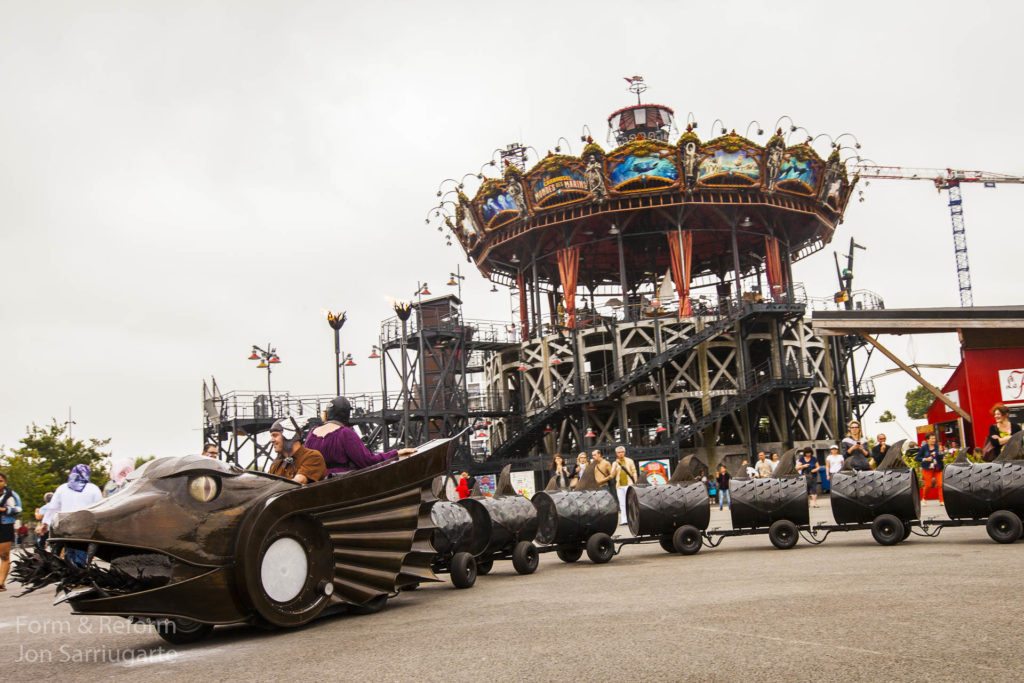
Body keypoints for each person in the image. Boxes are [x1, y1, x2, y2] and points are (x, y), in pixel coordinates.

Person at [305, 397, 416, 475]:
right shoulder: (345, 433)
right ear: (347, 414)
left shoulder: (312, 433)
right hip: (339, 483)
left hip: (315, 481)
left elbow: (305, 461)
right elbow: (367, 461)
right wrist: (395, 453)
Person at [42, 465, 103, 566]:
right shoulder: (93, 489)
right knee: (81, 551)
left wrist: (45, 523)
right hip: (84, 527)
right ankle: (78, 570)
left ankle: (69, 568)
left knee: (69, 550)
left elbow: (53, 508)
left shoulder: (62, 488)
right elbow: (100, 508)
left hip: (66, 526)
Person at [268, 419, 326, 484]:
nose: (271, 440)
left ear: (289, 436)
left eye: (275, 435)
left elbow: (298, 482)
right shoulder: (277, 464)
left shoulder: (313, 457)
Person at [0, 471, 22, 591]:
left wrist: (5, 509)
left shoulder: (11, 494)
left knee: (4, 555)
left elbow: (19, 509)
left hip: (5, 525)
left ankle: (1, 582)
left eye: (0, 481)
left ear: (5, 482)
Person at [610, 446, 637, 524]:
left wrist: (635, 482)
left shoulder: (629, 461)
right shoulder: (615, 463)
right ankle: (624, 520)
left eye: (622, 452)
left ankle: (633, 518)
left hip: (629, 484)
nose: (621, 454)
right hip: (620, 485)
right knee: (622, 503)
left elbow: (634, 472)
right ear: (616, 453)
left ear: (624, 452)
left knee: (630, 502)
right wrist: (615, 467)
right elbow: (612, 475)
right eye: (619, 452)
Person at [915, 432, 944, 505]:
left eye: (934, 438)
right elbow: (917, 458)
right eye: (932, 438)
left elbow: (941, 457)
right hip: (927, 468)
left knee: (940, 484)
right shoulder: (924, 448)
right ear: (927, 440)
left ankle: (941, 500)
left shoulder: (937, 446)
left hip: (937, 467)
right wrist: (925, 459)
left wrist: (941, 452)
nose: (934, 440)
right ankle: (924, 498)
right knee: (928, 485)